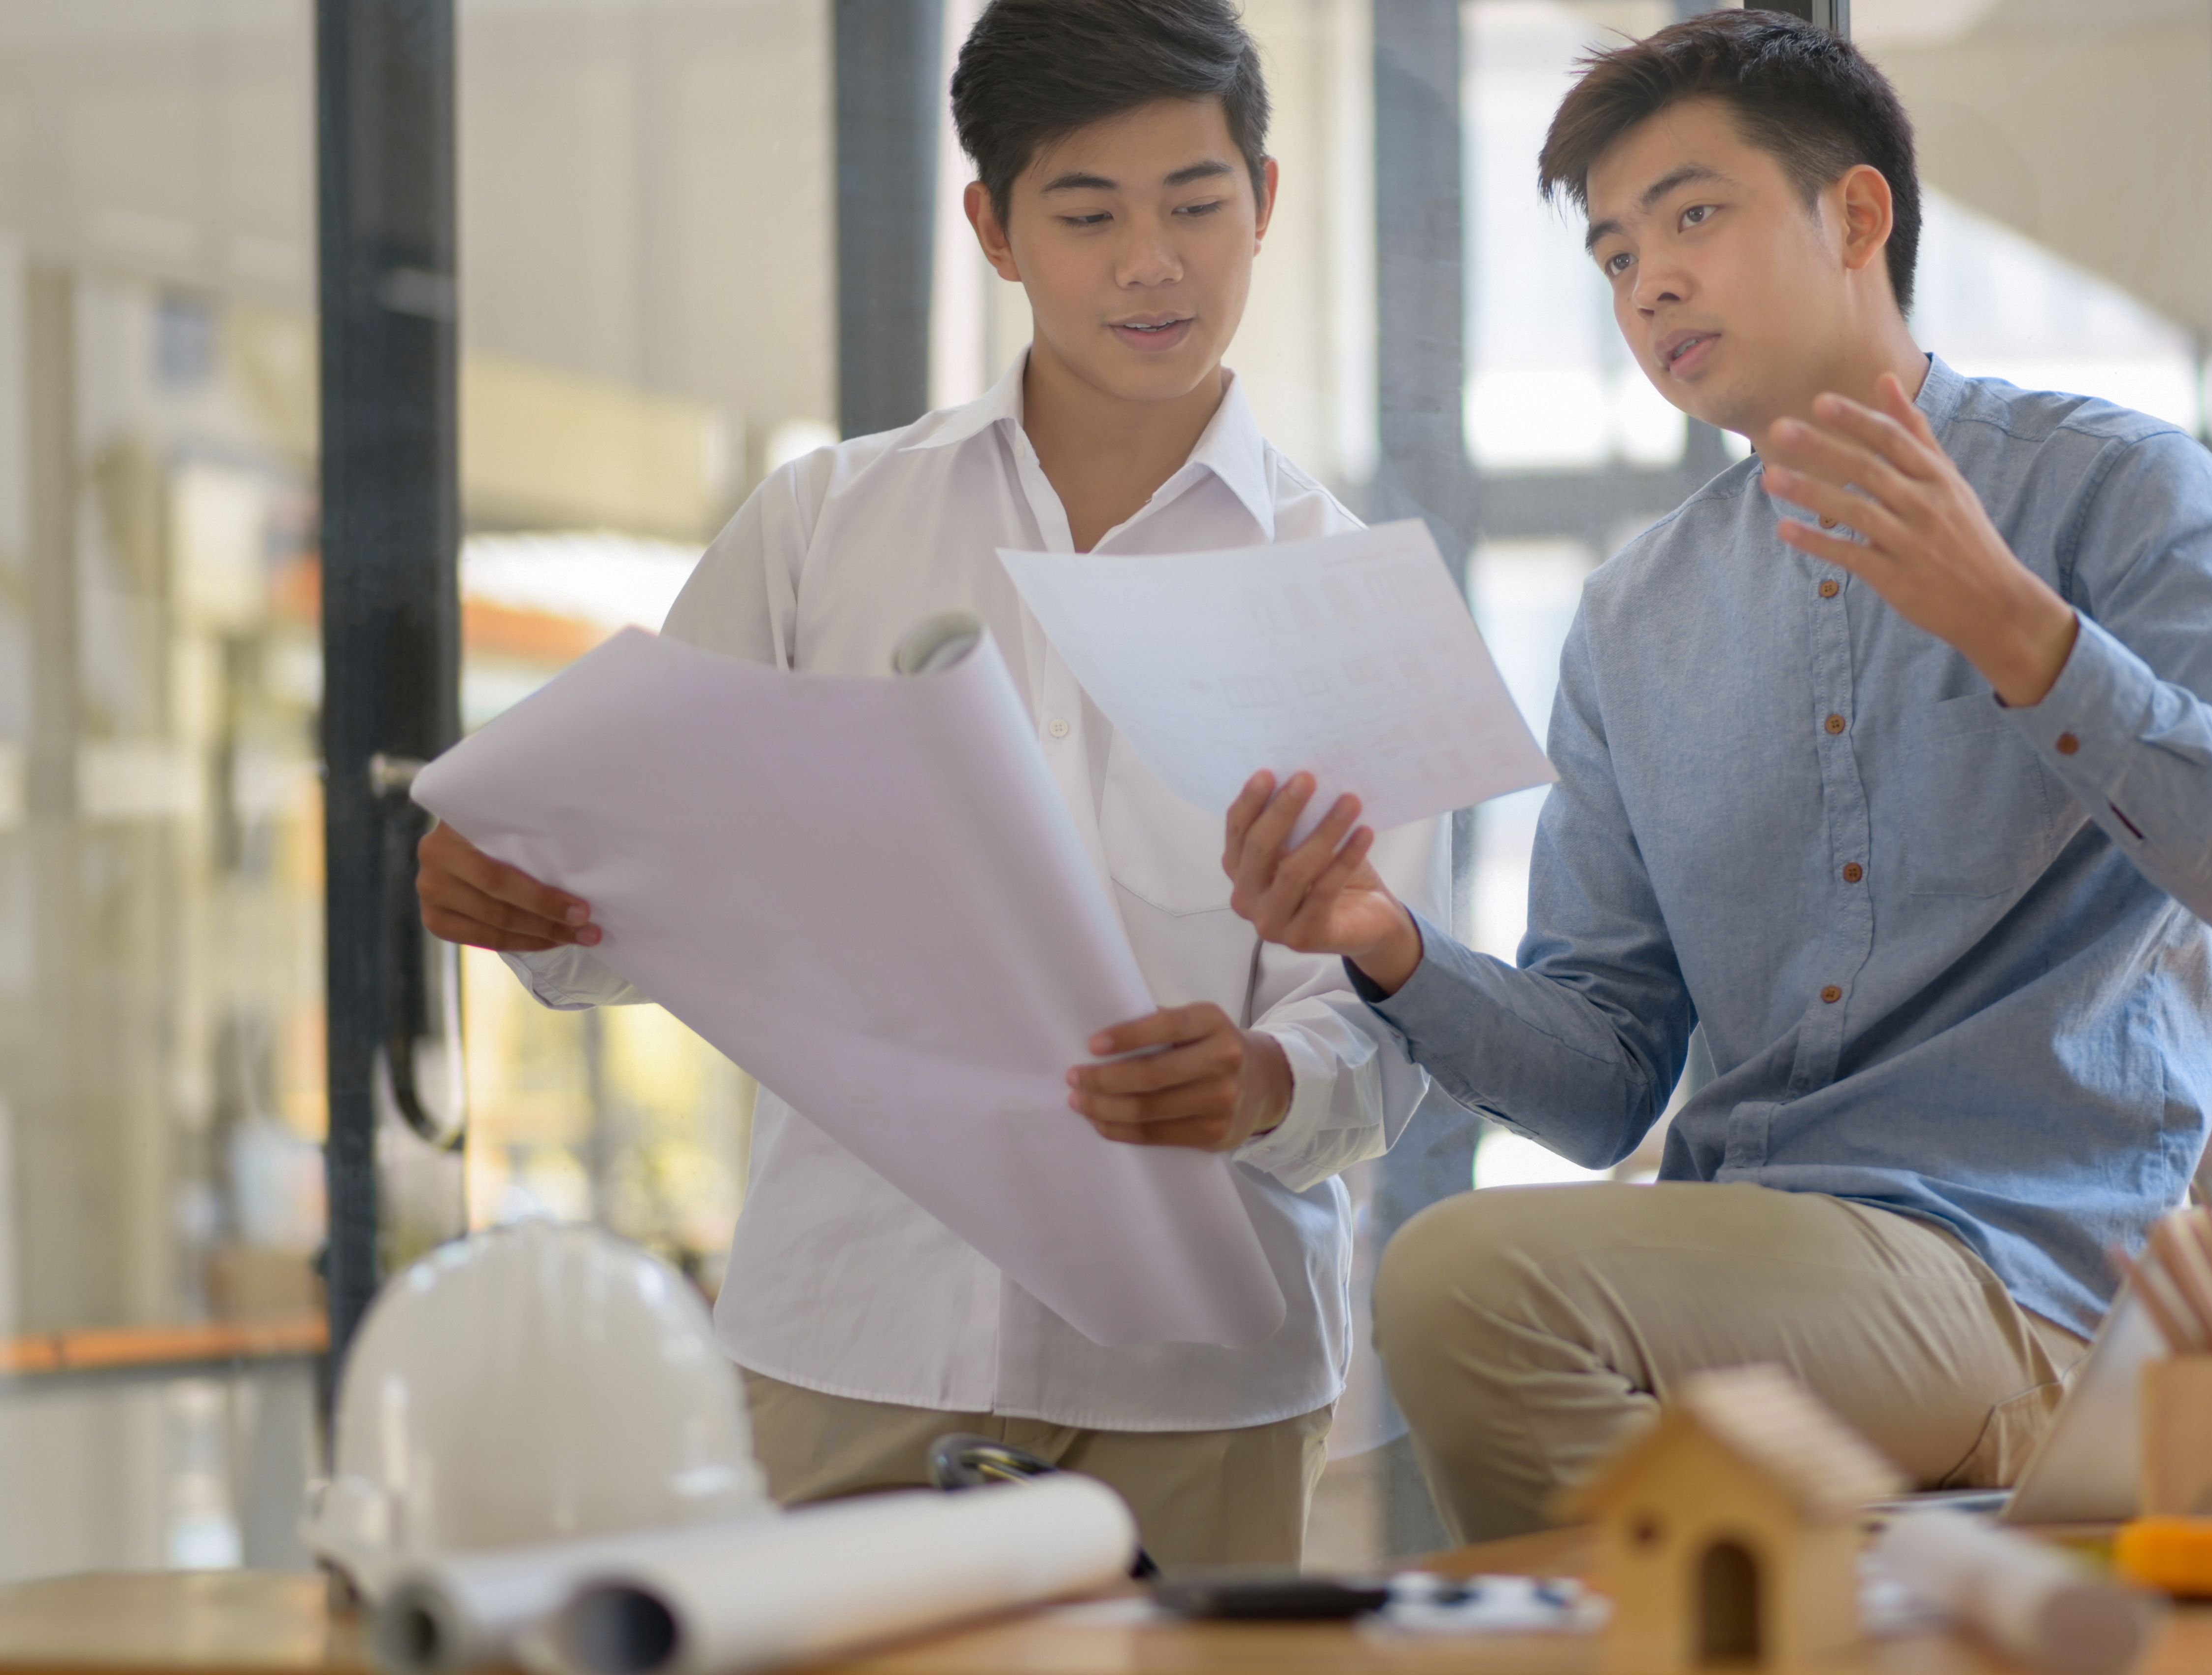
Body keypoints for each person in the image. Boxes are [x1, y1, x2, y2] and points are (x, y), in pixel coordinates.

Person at [1221, 9, 2212, 1543]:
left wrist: (2020, 633)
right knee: (1456, 1350)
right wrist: (1388, 946)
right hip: (1757, 1274)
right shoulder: (1632, 616)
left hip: (2025, 1281)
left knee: (1459, 1285)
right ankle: (1820, 1606)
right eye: (1617, 258)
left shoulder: (2117, 488)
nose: (1652, 285)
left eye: (1694, 216)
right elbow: (1607, 1074)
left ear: (1856, 215)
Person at [414, 0, 1447, 1569]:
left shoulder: (1345, 599)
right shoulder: (822, 525)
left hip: (1194, 1387)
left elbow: (1385, 1025)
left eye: (1194, 203)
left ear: (1267, 202)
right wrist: (531, 902)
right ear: (995, 228)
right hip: (851, 1336)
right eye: (1087, 213)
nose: (1150, 262)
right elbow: (655, 888)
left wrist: (1260, 1083)